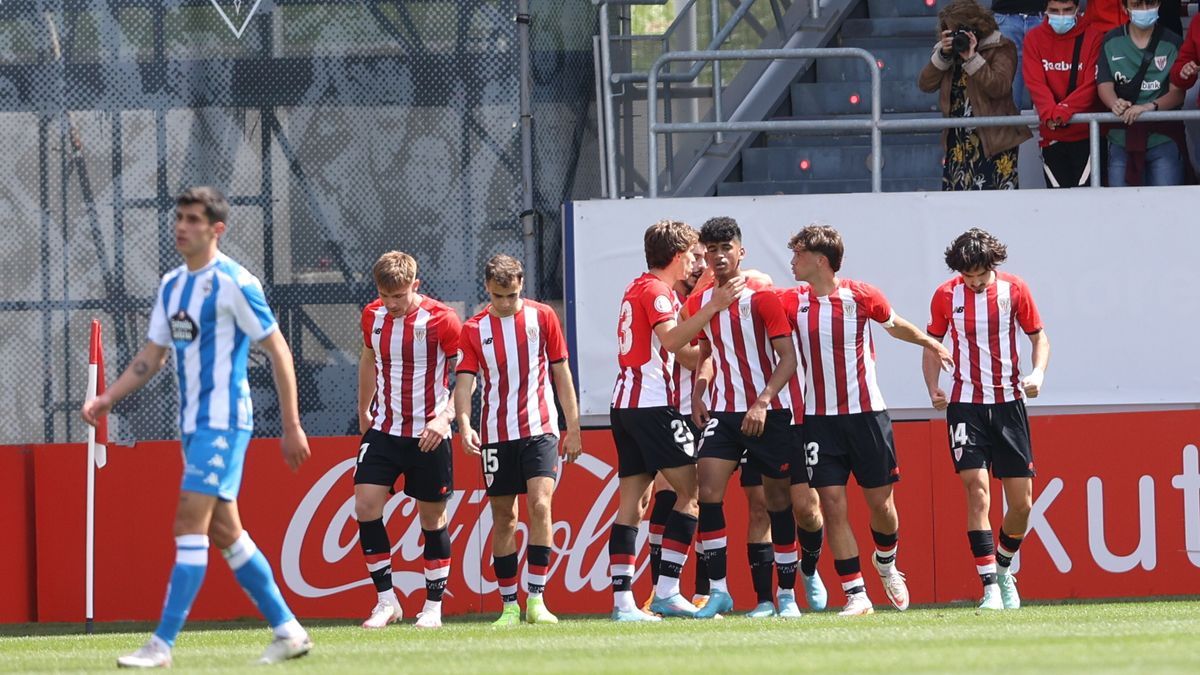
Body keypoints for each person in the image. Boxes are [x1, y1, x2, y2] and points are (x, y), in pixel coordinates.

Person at [81, 187, 313, 667]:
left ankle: (161, 645)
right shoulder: (171, 285)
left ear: (216, 229)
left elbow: (278, 351)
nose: (181, 227)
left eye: (192, 219)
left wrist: (291, 425)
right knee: (228, 534)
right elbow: (151, 357)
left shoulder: (234, 282)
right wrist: (107, 398)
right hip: (191, 426)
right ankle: (288, 630)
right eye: (179, 218)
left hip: (225, 423)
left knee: (188, 523)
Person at [783, 224, 954, 617]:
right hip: (819, 421)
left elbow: (894, 325)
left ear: (820, 261)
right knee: (832, 502)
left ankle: (886, 562)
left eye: (798, 254)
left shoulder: (860, 295)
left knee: (881, 505)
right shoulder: (792, 301)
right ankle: (856, 594)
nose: (792, 261)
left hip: (867, 416)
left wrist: (929, 342)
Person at [608, 220, 744, 622]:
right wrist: (714, 306)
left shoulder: (637, 287)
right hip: (650, 406)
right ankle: (667, 590)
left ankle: (623, 604)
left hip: (625, 405)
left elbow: (674, 347)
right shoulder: (658, 292)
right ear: (678, 254)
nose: (696, 264)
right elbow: (671, 340)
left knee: (632, 504)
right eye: (692, 256)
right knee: (693, 492)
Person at [681, 217, 803, 621]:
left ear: (740, 252)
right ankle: (718, 592)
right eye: (710, 249)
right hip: (724, 412)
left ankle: (781, 597)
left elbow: (788, 359)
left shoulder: (762, 298)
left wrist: (763, 401)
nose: (717, 256)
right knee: (708, 489)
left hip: (768, 413)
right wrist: (699, 392)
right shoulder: (699, 304)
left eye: (725, 248)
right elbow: (706, 352)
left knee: (776, 502)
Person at [923, 229, 1050, 611]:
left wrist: (1037, 374)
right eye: (968, 277)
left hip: (1009, 403)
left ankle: (1004, 567)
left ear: (992, 266)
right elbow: (932, 345)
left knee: (1022, 505)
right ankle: (990, 587)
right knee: (977, 491)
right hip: (965, 405)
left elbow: (1039, 337)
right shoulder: (946, 295)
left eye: (980, 276)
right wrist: (933, 388)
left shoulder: (1015, 290)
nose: (975, 284)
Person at [455, 254, 582, 626]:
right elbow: (464, 383)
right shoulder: (474, 329)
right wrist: (464, 425)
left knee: (541, 506)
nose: (506, 303)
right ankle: (509, 604)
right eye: (498, 296)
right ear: (487, 289)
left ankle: (537, 600)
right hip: (496, 434)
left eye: (511, 295)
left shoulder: (542, 317)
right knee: (504, 518)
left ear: (521, 284)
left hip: (541, 428)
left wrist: (572, 426)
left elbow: (562, 373)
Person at [355, 251, 461, 630]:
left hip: (428, 435)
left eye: (399, 296)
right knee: (366, 505)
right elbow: (368, 358)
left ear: (415, 286)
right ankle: (386, 602)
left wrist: (444, 417)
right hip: (384, 428)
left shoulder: (441, 319)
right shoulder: (372, 316)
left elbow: (466, 375)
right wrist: (363, 408)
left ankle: (432, 607)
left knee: (431, 518)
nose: (392, 303)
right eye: (385, 296)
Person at [919, 0, 1033, 190]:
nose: (957, 37)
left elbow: (999, 87)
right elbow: (925, 84)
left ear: (975, 26)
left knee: (996, 206)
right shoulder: (947, 51)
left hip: (994, 140)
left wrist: (972, 59)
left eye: (960, 31)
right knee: (958, 207)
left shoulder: (1001, 47)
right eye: (951, 32)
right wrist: (943, 56)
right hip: (958, 140)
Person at [1096, 0, 1187, 186]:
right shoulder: (1111, 40)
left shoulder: (1173, 42)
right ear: (1124, 7)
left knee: (1165, 208)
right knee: (1122, 209)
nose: (1145, 10)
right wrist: (1115, 103)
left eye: (1150, 3)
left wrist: (1149, 107)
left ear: (1159, 4)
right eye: (1137, 5)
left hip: (1163, 138)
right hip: (1121, 140)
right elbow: (1104, 84)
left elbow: (1178, 93)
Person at [1023, 0, 1105, 187]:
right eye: (1054, 10)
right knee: (1058, 206)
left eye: (1067, 10)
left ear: (1077, 9)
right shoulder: (1033, 38)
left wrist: (1062, 111)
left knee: (1089, 204)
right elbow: (1035, 82)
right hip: (1051, 135)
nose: (1061, 16)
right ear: (1044, 10)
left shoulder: (1094, 36)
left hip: (1087, 136)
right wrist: (1049, 111)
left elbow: (1091, 84)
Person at [993, 0, 1047, 108]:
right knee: (1009, 81)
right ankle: (1010, 124)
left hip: (1042, 14)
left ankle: (1051, 122)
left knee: (1049, 75)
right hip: (1006, 16)